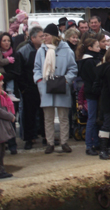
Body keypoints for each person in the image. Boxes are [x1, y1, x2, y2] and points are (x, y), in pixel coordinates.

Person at [34, 23, 77, 154]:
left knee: (63, 117)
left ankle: (64, 142)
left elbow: (73, 68)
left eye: (46, 35)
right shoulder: (41, 51)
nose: (44, 38)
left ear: (53, 36)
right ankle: (50, 143)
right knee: (48, 118)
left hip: (61, 86)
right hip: (46, 85)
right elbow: (36, 68)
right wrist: (40, 81)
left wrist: (66, 80)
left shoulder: (67, 50)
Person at [15, 26, 44, 150]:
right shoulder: (23, 51)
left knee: (45, 113)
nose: (43, 38)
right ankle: (29, 138)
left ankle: (46, 135)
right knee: (29, 114)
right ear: (33, 38)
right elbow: (19, 71)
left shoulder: (45, 49)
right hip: (29, 87)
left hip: (43, 86)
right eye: (40, 36)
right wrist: (24, 88)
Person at [76, 38, 102, 156]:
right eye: (97, 46)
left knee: (94, 119)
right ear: (90, 48)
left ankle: (95, 143)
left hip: (91, 92)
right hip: (92, 93)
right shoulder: (90, 61)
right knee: (91, 119)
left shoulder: (88, 60)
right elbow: (94, 78)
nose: (99, 48)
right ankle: (89, 145)